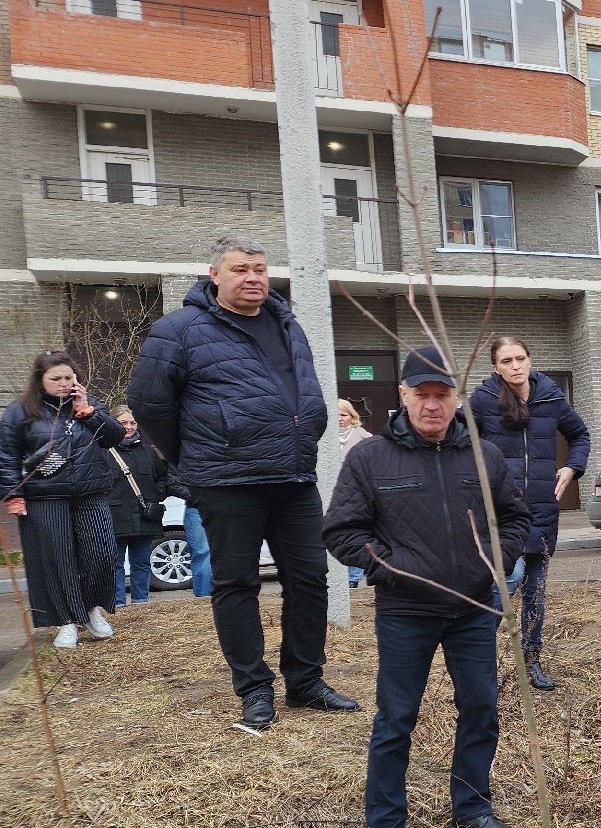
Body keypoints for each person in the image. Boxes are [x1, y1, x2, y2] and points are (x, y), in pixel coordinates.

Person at [129, 234, 360, 729]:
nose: (253, 277)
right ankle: (254, 689)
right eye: (240, 269)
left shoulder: (286, 321)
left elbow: (303, 385)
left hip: (293, 475)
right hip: (227, 479)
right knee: (237, 584)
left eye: (259, 268)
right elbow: (149, 404)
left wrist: (311, 423)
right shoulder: (180, 329)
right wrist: (192, 456)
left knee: (309, 578)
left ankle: (305, 681)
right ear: (215, 276)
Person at [323, 348, 533, 828]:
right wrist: (392, 567)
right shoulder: (369, 460)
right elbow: (342, 532)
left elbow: (514, 518)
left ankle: (472, 805)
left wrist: (494, 562)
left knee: (482, 707)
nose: (433, 406)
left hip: (471, 607)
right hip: (405, 610)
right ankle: (387, 827)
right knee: (397, 718)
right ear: (404, 396)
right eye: (423, 395)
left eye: (442, 395)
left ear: (456, 397)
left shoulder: (483, 456)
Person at [469, 337, 591, 692]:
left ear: (529, 359)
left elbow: (580, 434)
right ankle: (479, 660)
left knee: (536, 591)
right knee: (508, 579)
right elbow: (460, 441)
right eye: (507, 361)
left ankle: (532, 659)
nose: (516, 366)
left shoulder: (550, 397)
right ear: (496, 367)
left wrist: (571, 468)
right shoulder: (482, 401)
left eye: (520, 358)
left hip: (541, 507)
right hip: (502, 510)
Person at [0, 352, 124, 649]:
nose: (64, 384)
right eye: (55, 379)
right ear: (40, 380)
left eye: (69, 378)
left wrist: (88, 411)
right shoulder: (20, 411)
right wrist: (12, 493)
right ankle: (67, 621)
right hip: (45, 496)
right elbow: (6, 456)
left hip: (90, 492)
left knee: (102, 556)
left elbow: (114, 437)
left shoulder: (90, 404)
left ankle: (92, 609)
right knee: (57, 560)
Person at [106, 405, 170, 608]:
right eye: (123, 422)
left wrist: (157, 494)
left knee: (142, 562)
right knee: (114, 564)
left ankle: (141, 602)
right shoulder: (104, 451)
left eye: (132, 422)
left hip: (144, 516)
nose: (129, 427)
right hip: (115, 516)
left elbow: (162, 477)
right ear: (113, 424)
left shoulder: (148, 451)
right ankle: (118, 604)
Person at [338, 400, 372, 588]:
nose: (339, 419)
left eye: (343, 415)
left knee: (355, 534)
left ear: (352, 416)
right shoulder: (323, 436)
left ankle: (353, 578)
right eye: (335, 415)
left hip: (357, 494)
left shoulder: (364, 437)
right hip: (334, 494)